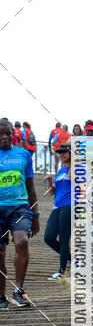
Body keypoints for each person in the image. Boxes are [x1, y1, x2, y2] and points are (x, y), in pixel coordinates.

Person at [0, 118, 39, 308]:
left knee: (22, 241)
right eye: (1, 134)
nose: (4, 137)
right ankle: (1, 296)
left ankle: (19, 290)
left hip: (20, 207)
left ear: (13, 134)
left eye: (8, 133)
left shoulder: (24, 154)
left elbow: (31, 186)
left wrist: (36, 214)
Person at [44, 143, 71, 280]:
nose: (62, 155)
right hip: (57, 205)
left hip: (70, 204)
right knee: (48, 237)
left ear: (71, 153)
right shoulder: (61, 170)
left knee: (64, 239)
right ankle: (75, 260)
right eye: (60, 153)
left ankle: (61, 271)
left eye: (65, 152)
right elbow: (52, 192)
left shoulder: (77, 168)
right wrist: (50, 181)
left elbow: (74, 179)